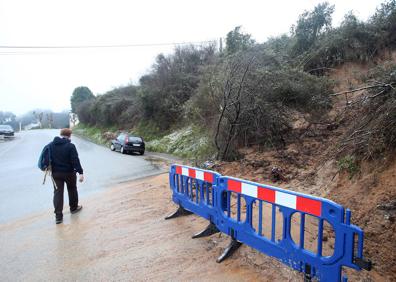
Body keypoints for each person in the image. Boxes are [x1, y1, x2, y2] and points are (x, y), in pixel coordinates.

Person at [51, 128, 84, 224]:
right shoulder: (70, 146)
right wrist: (80, 172)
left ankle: (58, 217)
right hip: (69, 173)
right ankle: (73, 208)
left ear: (61, 135)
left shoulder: (51, 145)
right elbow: (75, 160)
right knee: (72, 189)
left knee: (58, 193)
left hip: (56, 174)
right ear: (69, 136)